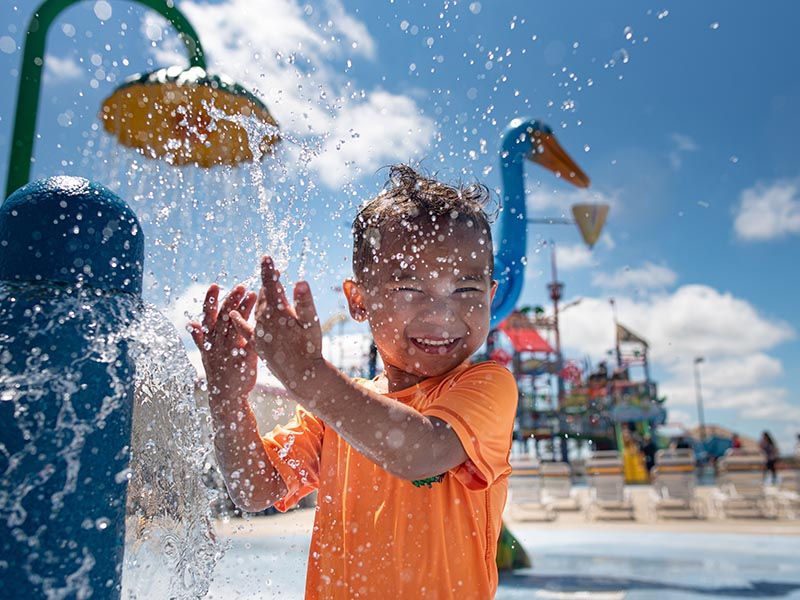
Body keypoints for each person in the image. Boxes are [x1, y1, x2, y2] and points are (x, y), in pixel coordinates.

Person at [189, 165, 518, 599]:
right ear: (359, 300)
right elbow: (253, 489)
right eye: (410, 288)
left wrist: (308, 376)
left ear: (490, 297)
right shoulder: (333, 412)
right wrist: (228, 400)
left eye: (465, 290)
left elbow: (419, 452)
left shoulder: (487, 386)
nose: (442, 314)